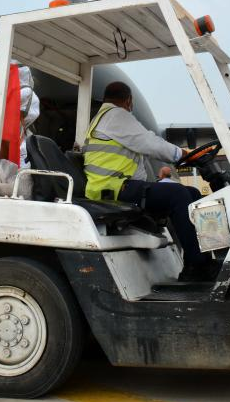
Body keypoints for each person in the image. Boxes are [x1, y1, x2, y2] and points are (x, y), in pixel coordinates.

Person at [83, 82, 209, 281]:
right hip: (113, 188)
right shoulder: (117, 115)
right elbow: (150, 142)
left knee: (191, 193)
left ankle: (203, 259)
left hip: (115, 185)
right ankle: (196, 266)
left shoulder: (103, 118)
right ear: (129, 101)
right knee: (178, 195)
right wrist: (183, 154)